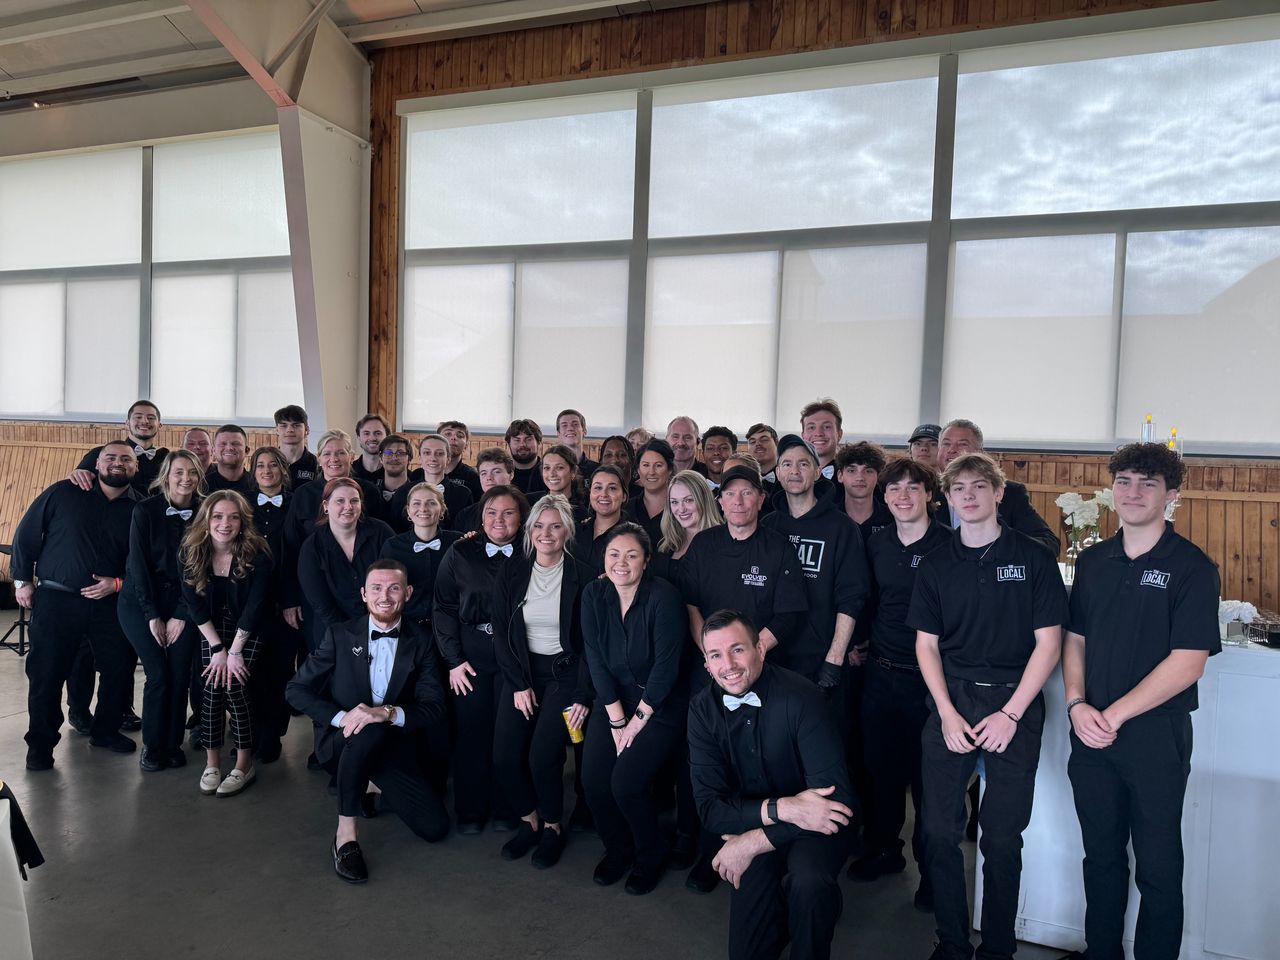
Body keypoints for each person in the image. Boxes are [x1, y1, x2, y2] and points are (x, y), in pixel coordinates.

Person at [908, 452, 1067, 960]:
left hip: (1013, 702)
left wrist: (1012, 713)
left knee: (1001, 837)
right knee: (937, 831)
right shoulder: (936, 563)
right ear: (947, 499)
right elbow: (926, 645)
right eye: (959, 489)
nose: (969, 496)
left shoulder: (1034, 558)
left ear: (999, 493)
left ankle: (998, 948)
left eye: (979, 486)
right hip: (952, 699)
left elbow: (1049, 644)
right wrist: (946, 712)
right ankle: (952, 941)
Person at [1064, 443, 1219, 960]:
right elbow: (1075, 639)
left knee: (1158, 866)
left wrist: (1112, 715)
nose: (1133, 493)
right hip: (1090, 734)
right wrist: (1076, 704)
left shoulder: (1192, 567)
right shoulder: (1094, 561)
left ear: (1171, 494)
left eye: (1148, 483)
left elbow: (1189, 661)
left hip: (1155, 737)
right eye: (1124, 481)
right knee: (1100, 858)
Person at [688, 610, 855, 960]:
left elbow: (834, 804)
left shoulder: (803, 697)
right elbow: (711, 810)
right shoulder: (702, 711)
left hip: (815, 829)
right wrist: (786, 808)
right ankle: (792, 909)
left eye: (737, 650)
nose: (728, 665)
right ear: (706, 665)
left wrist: (751, 842)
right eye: (716, 655)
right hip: (758, 820)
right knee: (747, 953)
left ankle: (818, 907)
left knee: (808, 882)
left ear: (760, 649)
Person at [677, 464, 807, 891]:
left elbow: (788, 613)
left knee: (754, 763)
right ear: (720, 501)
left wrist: (747, 657)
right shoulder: (704, 545)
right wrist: (713, 656)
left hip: (759, 672)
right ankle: (707, 852)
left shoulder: (778, 548)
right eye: (730, 493)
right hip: (709, 673)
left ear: (760, 499)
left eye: (747, 492)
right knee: (706, 765)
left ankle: (758, 845)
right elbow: (691, 603)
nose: (738, 501)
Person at [287, 560, 451, 883]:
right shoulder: (339, 634)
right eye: (376, 588)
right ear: (364, 594)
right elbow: (296, 690)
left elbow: (434, 707)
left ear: (408, 593)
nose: (384, 597)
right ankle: (345, 836)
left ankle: (369, 783)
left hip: (393, 748)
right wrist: (343, 718)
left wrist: (385, 712)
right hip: (342, 743)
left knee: (435, 828)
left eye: (393, 588)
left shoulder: (423, 641)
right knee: (366, 731)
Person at [851, 457, 952, 905]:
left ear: (930, 494)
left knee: (931, 785)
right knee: (882, 774)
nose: (903, 496)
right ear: (884, 496)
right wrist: (858, 641)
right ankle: (884, 851)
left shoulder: (950, 546)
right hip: (882, 674)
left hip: (934, 685)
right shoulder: (876, 544)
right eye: (894, 489)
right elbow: (866, 600)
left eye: (913, 488)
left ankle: (933, 874)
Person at [14, 441, 141, 769]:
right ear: (97, 463)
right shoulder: (64, 492)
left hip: (110, 604)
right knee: (46, 674)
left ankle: (105, 731)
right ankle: (40, 746)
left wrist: (117, 583)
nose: (117, 463)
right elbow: (27, 534)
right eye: (110, 457)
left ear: (136, 467)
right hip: (57, 600)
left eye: (126, 459)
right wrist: (22, 580)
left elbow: (144, 561)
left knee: (118, 669)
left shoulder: (140, 509)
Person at [581, 523, 688, 895]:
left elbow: (666, 669)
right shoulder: (594, 594)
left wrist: (635, 722)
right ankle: (618, 848)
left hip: (660, 703)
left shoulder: (664, 597)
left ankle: (650, 853)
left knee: (625, 782)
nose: (621, 563)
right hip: (613, 699)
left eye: (631, 555)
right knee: (594, 781)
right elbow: (595, 659)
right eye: (614, 554)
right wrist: (616, 720)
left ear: (646, 560)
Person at [492, 494, 595, 868]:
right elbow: (501, 632)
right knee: (505, 756)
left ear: (567, 531)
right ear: (529, 529)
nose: (545, 533)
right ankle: (529, 819)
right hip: (522, 673)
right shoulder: (513, 571)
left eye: (555, 526)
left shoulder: (584, 575)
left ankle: (552, 825)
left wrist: (583, 694)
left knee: (543, 756)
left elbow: (592, 644)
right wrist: (519, 684)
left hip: (565, 675)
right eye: (538, 525)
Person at [433, 485, 529, 833]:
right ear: (481, 517)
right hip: (471, 655)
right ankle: (471, 811)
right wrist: (453, 660)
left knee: (509, 736)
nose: (499, 520)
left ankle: (508, 808)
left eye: (508, 512)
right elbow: (443, 607)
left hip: (516, 655)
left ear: (521, 518)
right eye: (491, 512)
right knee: (472, 733)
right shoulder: (460, 551)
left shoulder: (533, 552)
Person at [180, 490, 273, 797]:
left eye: (234, 517)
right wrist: (218, 649)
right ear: (206, 520)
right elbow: (193, 606)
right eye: (218, 516)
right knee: (210, 686)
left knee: (233, 684)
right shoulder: (191, 551)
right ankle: (212, 763)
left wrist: (234, 652)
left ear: (243, 522)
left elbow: (255, 607)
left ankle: (244, 764)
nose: (225, 523)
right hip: (212, 630)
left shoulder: (258, 553)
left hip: (249, 629)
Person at [120, 450, 205, 772]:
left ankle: (172, 745)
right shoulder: (145, 510)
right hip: (140, 602)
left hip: (186, 603)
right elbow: (138, 566)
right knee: (158, 674)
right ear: (166, 476)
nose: (186, 478)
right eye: (179, 472)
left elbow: (202, 567)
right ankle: (153, 747)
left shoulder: (204, 511)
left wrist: (182, 613)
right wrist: (152, 615)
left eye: (192, 472)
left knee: (180, 675)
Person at [761, 435, 867, 688]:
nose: (794, 471)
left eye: (804, 464)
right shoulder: (767, 526)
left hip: (820, 659)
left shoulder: (842, 528)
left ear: (818, 472)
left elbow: (851, 598)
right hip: (771, 657)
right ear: (778, 473)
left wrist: (835, 658)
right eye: (787, 464)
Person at [281, 429, 382, 636]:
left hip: (364, 593)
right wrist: (289, 599)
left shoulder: (369, 491)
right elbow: (290, 547)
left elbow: (380, 540)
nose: (333, 459)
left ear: (351, 457)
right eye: (327, 453)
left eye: (340, 453)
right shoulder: (303, 494)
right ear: (318, 459)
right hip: (316, 591)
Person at [935, 419, 1059, 555]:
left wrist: (1002, 553)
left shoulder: (1010, 493)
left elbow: (1048, 543)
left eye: (962, 444)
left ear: (979, 453)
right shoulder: (927, 492)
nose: (952, 450)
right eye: (946, 444)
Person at [298, 478, 395, 649]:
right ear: (326, 506)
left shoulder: (381, 533)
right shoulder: (312, 547)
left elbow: (393, 582)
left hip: (381, 629)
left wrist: (377, 626)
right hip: (333, 633)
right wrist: (351, 636)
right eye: (340, 501)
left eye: (354, 501)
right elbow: (322, 604)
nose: (348, 507)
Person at [248, 445, 297, 764]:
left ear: (283, 470)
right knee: (251, 671)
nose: (267, 470)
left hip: (284, 604)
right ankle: (249, 732)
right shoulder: (241, 504)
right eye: (260, 465)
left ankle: (273, 735)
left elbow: (298, 555)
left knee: (280, 671)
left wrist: (290, 599)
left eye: (273, 465)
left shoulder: (296, 504)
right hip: (248, 603)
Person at [380, 483, 461, 633]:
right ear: (408, 511)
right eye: (416, 503)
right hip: (407, 628)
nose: (423, 509)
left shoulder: (457, 543)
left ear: (442, 509)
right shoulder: (392, 546)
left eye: (431, 503)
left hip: (452, 627)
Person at [73, 400, 167, 495]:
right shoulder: (100, 453)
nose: (145, 421)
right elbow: (76, 480)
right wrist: (77, 473)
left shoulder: (166, 458)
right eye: (138, 417)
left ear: (159, 425)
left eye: (151, 418)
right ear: (127, 423)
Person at [389, 433, 472, 529]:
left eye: (439, 453)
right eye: (427, 453)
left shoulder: (463, 494)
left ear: (448, 459)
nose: (433, 458)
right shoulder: (403, 492)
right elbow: (395, 529)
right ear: (420, 458)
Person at [573, 465, 629, 571]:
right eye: (598, 488)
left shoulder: (633, 537)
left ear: (624, 496)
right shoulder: (576, 532)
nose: (604, 494)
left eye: (612, 488)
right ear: (590, 493)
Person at [835, 441, 894, 540]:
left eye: (868, 471)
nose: (860, 478)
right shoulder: (828, 519)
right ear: (840, 476)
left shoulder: (894, 520)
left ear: (878, 476)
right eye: (852, 471)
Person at [453, 447, 517, 532]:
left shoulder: (524, 509)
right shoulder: (465, 515)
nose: (489, 478)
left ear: (511, 474)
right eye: (484, 473)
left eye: (496, 472)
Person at [628, 439, 674, 547]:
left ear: (669, 469)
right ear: (638, 469)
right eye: (646, 465)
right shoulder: (626, 509)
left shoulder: (681, 509)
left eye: (658, 465)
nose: (651, 472)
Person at [275, 404, 318, 488]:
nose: (290, 430)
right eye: (284, 425)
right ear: (276, 430)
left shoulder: (316, 464)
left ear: (307, 429)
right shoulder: (268, 462)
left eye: (296, 425)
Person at [438, 419, 482, 501]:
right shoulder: (419, 475)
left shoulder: (474, 478)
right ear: (437, 441)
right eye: (448, 434)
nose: (453, 438)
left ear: (466, 446)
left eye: (460, 435)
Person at [205, 424, 255, 496]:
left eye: (236, 444)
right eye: (223, 444)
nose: (229, 448)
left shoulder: (258, 485)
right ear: (213, 450)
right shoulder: (202, 487)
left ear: (246, 450)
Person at [374, 434, 415, 522]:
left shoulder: (417, 494)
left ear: (409, 459)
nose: (394, 458)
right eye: (388, 453)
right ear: (380, 459)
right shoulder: (371, 493)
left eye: (400, 453)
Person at [800, 399, 843, 480]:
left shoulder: (852, 476)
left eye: (827, 427)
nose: (818, 433)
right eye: (811, 427)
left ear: (839, 434)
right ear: (803, 436)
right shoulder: (790, 473)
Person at [505, 418, 547, 496]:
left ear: (539, 444)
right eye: (517, 440)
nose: (522, 444)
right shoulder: (502, 474)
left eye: (528, 439)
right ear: (508, 445)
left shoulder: (549, 473)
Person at [539, 443, 585, 510]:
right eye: (547, 468)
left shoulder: (582, 512)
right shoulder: (531, 503)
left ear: (573, 472)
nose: (552, 474)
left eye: (559, 468)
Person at [556, 408, 598, 476]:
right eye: (564, 425)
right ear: (558, 434)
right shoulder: (548, 471)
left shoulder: (596, 470)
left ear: (584, 431)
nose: (570, 428)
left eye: (575, 424)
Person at [353, 414, 390, 483]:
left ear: (387, 437)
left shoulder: (398, 473)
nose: (372, 438)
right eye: (366, 433)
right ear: (359, 438)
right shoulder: (349, 472)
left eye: (378, 433)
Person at [746, 423, 780, 489]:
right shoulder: (743, 478)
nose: (757, 444)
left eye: (764, 440)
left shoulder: (788, 475)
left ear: (776, 443)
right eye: (752, 442)